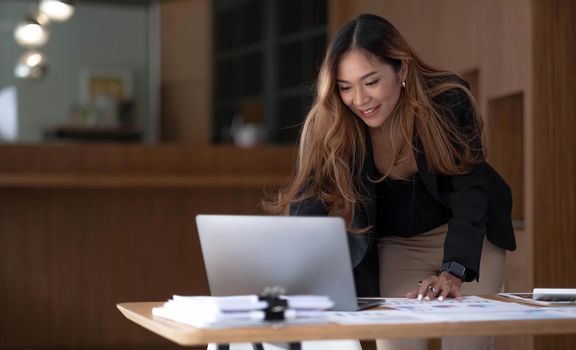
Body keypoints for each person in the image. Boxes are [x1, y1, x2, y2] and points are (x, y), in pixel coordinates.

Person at [265, 13, 516, 350]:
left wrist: (453, 270)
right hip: (400, 244)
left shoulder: (447, 102)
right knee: (397, 344)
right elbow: (311, 198)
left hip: (470, 237)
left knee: (466, 342)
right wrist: (286, 275)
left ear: (403, 70)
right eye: (345, 87)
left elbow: (470, 193)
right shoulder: (334, 123)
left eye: (371, 82)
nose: (359, 99)